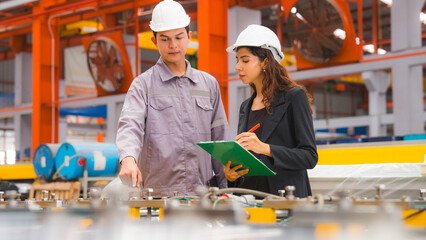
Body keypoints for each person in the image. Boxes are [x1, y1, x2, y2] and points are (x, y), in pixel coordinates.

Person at [116, 0, 229, 197]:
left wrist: (226, 189)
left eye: (178, 37)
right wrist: (127, 158)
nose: (173, 45)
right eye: (165, 39)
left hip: (202, 194)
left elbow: (220, 140)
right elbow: (130, 125)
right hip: (158, 196)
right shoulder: (143, 85)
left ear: (189, 36)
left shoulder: (209, 85)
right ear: (155, 41)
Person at [225, 24, 318, 198]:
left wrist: (265, 148)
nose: (238, 67)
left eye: (245, 60)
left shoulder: (294, 97)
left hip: (284, 200)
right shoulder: (246, 106)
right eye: (237, 60)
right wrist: (233, 176)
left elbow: (309, 156)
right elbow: (249, 160)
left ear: (266, 62)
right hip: (250, 199)